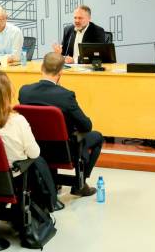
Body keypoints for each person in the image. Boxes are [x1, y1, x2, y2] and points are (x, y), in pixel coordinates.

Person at [0, 70, 62, 211]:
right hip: (11, 180)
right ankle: (49, 203)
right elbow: (34, 153)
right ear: (7, 93)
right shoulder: (17, 121)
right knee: (37, 161)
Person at [18, 52, 104, 197]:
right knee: (97, 137)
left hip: (33, 148)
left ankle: (52, 180)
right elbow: (86, 126)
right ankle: (80, 183)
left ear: (41, 67)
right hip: (63, 152)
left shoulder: (24, 91)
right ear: (61, 72)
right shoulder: (65, 95)